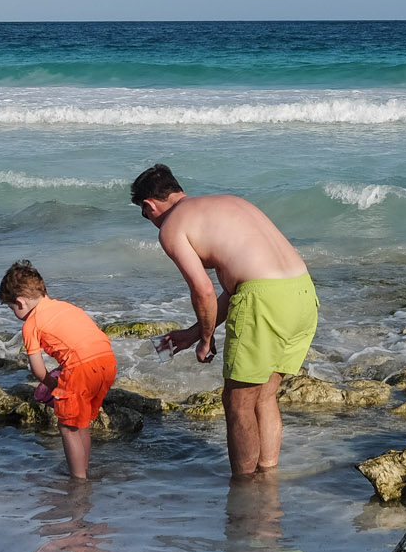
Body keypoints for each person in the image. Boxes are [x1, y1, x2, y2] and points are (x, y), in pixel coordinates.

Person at [132, 164, 317, 476]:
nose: (148, 220)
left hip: (264, 299)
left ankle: (244, 490)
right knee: (264, 397)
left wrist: (206, 340)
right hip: (302, 293)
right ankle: (267, 480)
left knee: (238, 402)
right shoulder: (228, 204)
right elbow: (240, 285)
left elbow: (204, 290)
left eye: (143, 214)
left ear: (150, 205)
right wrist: (194, 332)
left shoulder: (172, 227)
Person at [0, 260, 118, 480]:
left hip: (80, 368)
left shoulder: (30, 324)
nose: (14, 312)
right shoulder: (66, 307)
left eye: (11, 308)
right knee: (80, 423)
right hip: (107, 362)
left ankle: (78, 479)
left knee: (67, 426)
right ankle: (83, 467)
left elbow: (37, 370)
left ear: (20, 302)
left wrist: (54, 386)